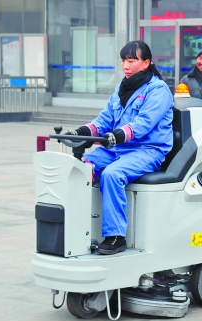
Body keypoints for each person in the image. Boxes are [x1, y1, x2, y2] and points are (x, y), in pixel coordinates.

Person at [64, 41, 174, 255]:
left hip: (147, 150)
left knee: (112, 175)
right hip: (118, 149)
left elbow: (143, 123)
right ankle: (76, 230)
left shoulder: (158, 90)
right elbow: (105, 119)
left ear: (146, 63)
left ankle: (116, 236)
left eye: (131, 61)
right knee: (81, 168)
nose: (125, 65)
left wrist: (118, 135)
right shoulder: (122, 88)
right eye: (124, 60)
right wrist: (82, 131)